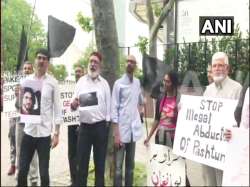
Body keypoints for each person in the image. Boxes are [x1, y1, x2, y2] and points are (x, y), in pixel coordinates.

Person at [17, 48, 62, 186]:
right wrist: (18, 95)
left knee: (44, 173)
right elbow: (20, 106)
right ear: (35, 60)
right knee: (22, 171)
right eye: (39, 58)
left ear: (48, 62)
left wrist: (56, 133)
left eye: (44, 58)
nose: (41, 60)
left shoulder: (53, 82)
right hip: (29, 132)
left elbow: (57, 109)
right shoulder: (25, 81)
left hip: (44, 135)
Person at [202, 51, 242, 186]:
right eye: (214, 66)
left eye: (221, 65)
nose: (217, 68)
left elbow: (243, 120)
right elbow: (201, 115)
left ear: (227, 68)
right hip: (208, 148)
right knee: (209, 182)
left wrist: (235, 132)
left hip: (227, 148)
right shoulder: (208, 90)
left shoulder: (237, 89)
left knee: (224, 182)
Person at [71, 52, 111, 186]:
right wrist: (73, 104)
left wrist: (106, 126)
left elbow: (109, 108)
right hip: (84, 129)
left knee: (99, 165)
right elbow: (72, 105)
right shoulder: (81, 82)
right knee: (81, 165)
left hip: (100, 128)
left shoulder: (104, 84)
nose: (92, 64)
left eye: (95, 62)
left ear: (100, 65)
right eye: (91, 61)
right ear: (88, 63)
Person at [111, 55, 144, 186]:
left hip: (132, 133)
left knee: (130, 168)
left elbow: (140, 100)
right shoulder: (118, 84)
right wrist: (116, 134)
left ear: (135, 66)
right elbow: (114, 109)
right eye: (128, 61)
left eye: (133, 62)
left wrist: (142, 105)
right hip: (121, 133)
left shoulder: (137, 82)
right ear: (125, 64)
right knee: (118, 169)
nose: (130, 63)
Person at [15, 62, 39, 186]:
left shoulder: (36, 85)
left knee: (32, 152)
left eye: (29, 68)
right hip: (20, 123)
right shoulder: (18, 86)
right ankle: (20, 177)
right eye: (25, 68)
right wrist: (17, 95)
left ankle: (34, 179)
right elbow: (16, 106)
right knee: (20, 151)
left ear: (32, 70)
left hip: (32, 123)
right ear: (22, 71)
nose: (27, 70)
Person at [68, 64, 84, 186]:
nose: (77, 73)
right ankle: (73, 181)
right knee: (71, 153)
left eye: (79, 71)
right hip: (71, 124)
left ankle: (79, 180)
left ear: (83, 73)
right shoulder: (69, 87)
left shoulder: (86, 87)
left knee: (81, 154)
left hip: (83, 125)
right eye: (76, 72)